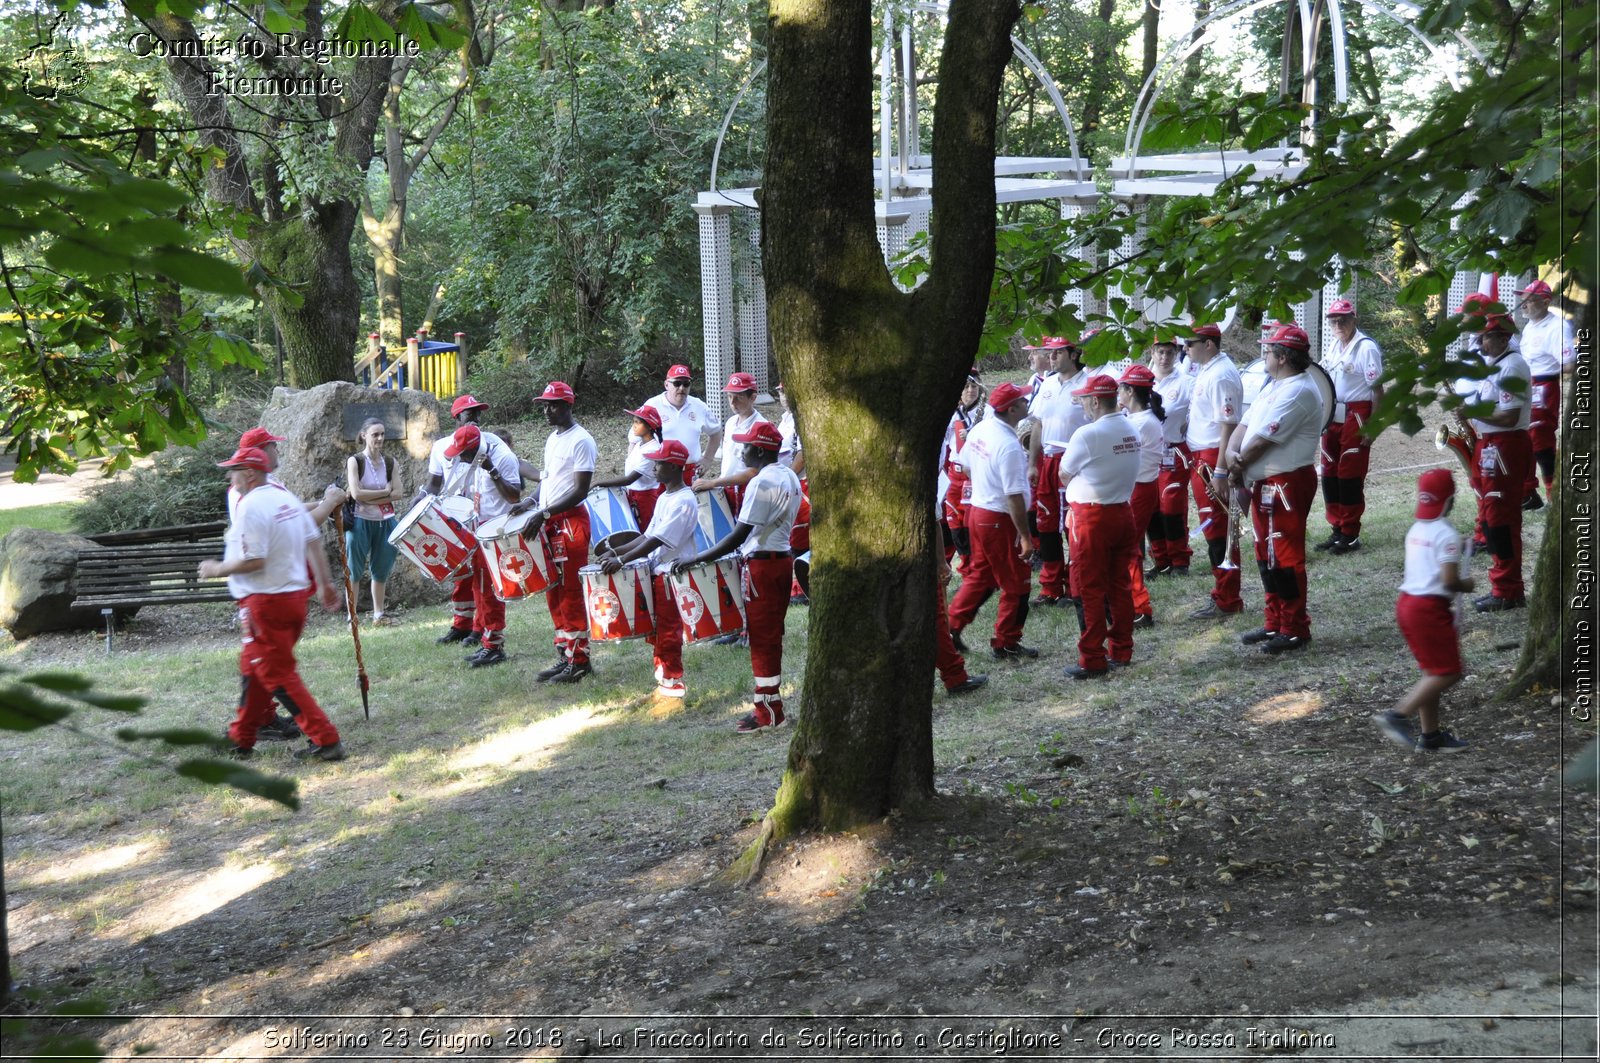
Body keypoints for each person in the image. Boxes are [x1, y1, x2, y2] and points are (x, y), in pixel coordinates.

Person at [202, 446, 345, 762]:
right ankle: (240, 738)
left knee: (276, 673)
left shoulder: (251, 506)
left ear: (249, 473)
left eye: (234, 470)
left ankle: (326, 739)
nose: (230, 476)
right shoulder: (286, 499)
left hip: (265, 602)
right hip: (291, 598)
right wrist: (324, 583)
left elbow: (254, 560)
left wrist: (217, 569)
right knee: (255, 668)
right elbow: (312, 539)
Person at [675, 421, 802, 732]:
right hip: (782, 559)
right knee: (770, 635)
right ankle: (767, 703)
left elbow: (739, 535)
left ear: (759, 450)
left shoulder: (762, 482)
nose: (742, 451)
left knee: (761, 638)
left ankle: (769, 712)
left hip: (763, 563)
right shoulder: (788, 475)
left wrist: (698, 558)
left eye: (746, 446)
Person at [1220, 323, 1324, 655]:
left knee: (1285, 556)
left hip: (1286, 481)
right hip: (1266, 480)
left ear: (1281, 357)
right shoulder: (1275, 384)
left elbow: (1262, 441)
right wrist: (1231, 457)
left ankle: (1294, 627)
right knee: (1266, 553)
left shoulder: (1298, 391)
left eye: (1268, 351)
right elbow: (1244, 428)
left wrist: (1237, 466)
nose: (1263, 355)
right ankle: (1275, 620)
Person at [1374, 469, 1473, 752]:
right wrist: (1469, 583)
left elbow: (1436, 552)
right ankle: (1397, 716)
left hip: (1407, 604)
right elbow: (1449, 580)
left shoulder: (1417, 529)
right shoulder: (1447, 534)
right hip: (1429, 609)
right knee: (1449, 671)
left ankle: (1431, 737)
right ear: (1450, 499)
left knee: (1432, 671)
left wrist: (1461, 546)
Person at [600, 440, 700, 700]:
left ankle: (673, 687)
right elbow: (647, 536)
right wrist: (616, 551)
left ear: (674, 466)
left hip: (670, 575)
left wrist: (622, 561)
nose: (654, 468)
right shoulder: (666, 496)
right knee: (657, 633)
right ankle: (663, 684)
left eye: (659, 463)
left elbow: (658, 541)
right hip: (657, 573)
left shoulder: (684, 501)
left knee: (668, 632)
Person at [511, 382, 599, 681]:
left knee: (571, 591)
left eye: (554, 405)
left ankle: (581, 660)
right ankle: (564, 653)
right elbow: (548, 482)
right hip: (549, 521)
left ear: (568, 406)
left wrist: (545, 512)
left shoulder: (582, 440)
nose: (547, 410)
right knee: (553, 588)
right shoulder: (552, 438)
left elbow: (580, 490)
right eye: (545, 405)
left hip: (570, 522)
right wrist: (530, 501)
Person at [1057, 375, 1141, 678]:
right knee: (1119, 584)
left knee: (1089, 588)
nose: (1081, 404)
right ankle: (1122, 648)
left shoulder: (1087, 434)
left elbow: (1064, 475)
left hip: (1091, 517)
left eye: (1083, 400)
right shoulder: (1132, 427)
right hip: (1121, 510)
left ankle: (1092, 657)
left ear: (1094, 401)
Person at [947, 382, 1038, 660]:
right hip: (998, 516)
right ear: (1012, 410)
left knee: (982, 575)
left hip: (978, 511)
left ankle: (951, 627)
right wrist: (1024, 535)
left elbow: (964, 464)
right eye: (1022, 400)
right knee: (1017, 581)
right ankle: (1006, 641)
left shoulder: (982, 429)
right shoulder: (1008, 446)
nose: (1026, 402)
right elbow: (1013, 497)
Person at [425, 395, 506, 646]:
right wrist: (422, 503)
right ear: (457, 417)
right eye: (469, 412)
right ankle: (462, 623)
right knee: (460, 573)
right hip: (455, 517)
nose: (475, 417)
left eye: (477, 412)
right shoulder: (441, 447)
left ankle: (479, 627)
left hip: (482, 516)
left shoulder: (490, 442)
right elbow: (434, 483)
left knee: (481, 576)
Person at [1466, 313, 1533, 611]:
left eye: (1487, 337)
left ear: (1504, 338)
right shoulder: (1495, 365)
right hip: (1491, 443)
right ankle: (1502, 583)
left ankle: (1508, 588)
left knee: (1502, 518)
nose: (1481, 342)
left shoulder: (1513, 367)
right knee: (1492, 515)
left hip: (1506, 445)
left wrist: (1473, 414)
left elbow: (1509, 416)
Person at [441, 423, 522, 667]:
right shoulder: (477, 450)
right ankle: (487, 641)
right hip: (479, 527)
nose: (462, 459)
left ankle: (494, 645)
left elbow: (514, 496)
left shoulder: (502, 457)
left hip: (496, 531)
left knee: (491, 591)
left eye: (464, 454)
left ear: (476, 449)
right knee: (480, 587)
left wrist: (492, 470)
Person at [1183, 323, 1245, 619]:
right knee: (1214, 527)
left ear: (1209, 344)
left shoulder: (1220, 374)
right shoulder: (1209, 368)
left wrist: (1220, 471)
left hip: (1211, 458)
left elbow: (1228, 425)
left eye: (1190, 343)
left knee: (1218, 529)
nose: (1185, 348)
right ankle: (1223, 593)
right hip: (1203, 456)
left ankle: (1227, 598)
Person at [1316, 299, 1384, 554]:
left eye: (1343, 319)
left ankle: (1350, 532)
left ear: (1354, 319)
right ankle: (1336, 528)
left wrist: (1373, 427)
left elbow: (1378, 390)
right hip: (1335, 412)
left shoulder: (1365, 348)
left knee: (1350, 475)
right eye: (1334, 320)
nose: (1338, 324)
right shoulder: (1334, 344)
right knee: (1330, 474)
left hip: (1357, 413)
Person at [1028, 338, 1088, 606]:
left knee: (1071, 525)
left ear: (1073, 355)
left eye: (1057, 353)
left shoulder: (1087, 384)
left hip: (1072, 462)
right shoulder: (1048, 384)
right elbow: (1037, 426)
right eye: (1050, 353)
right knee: (1046, 524)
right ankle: (1051, 586)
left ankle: (1076, 586)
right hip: (1047, 461)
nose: (1051, 358)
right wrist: (1032, 462)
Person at [1516, 279, 1574, 510]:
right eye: (1523, 300)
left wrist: (1545, 375)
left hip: (1543, 386)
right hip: (1526, 386)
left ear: (1545, 302)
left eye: (1529, 300)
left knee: (1541, 442)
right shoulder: (1530, 326)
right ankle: (1529, 493)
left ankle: (1554, 494)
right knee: (1525, 440)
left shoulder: (1556, 327)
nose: (1524, 305)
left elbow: (1569, 364)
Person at [1117, 365, 1166, 627]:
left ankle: (1139, 606)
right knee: (1130, 547)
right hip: (1138, 488)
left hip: (1137, 489)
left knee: (1129, 548)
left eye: (1120, 389)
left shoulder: (1140, 423)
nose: (1117, 394)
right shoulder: (1137, 420)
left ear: (1130, 392)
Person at [343, 418, 402, 626]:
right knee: (354, 569)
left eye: (382, 434)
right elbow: (357, 495)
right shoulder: (355, 461)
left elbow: (398, 494)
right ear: (364, 435)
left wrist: (377, 495)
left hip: (385, 520)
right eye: (375, 434)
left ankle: (379, 615)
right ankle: (352, 616)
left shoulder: (390, 462)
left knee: (381, 569)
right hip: (360, 521)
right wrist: (384, 491)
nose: (379, 438)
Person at [227, 427, 346, 528]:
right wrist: (330, 502)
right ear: (261, 453)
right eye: (273, 445)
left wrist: (322, 502)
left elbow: (292, 510)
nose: (277, 450)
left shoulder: (262, 482)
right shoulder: (255, 490)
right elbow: (299, 525)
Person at [1147, 337, 1194, 576]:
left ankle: (1179, 559)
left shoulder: (1186, 382)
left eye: (1169, 352)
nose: (1164, 358)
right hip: (1147, 453)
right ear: (1152, 352)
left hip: (1173, 450)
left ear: (1176, 353)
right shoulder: (1142, 380)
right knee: (1151, 507)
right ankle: (1160, 558)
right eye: (1160, 352)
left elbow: (1196, 412)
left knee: (1171, 506)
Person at [693, 372, 769, 512]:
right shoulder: (730, 422)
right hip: (725, 489)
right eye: (729, 396)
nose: (733, 403)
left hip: (747, 491)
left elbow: (753, 472)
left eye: (738, 397)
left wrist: (713, 482)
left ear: (753, 397)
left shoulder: (761, 427)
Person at [643, 364, 720, 483]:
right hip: (658, 473)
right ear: (666, 384)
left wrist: (707, 459)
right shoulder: (652, 405)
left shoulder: (699, 406)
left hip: (689, 472)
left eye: (686, 383)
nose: (682, 388)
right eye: (677, 383)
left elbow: (716, 432)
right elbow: (635, 440)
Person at [592, 405, 666, 530]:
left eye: (638, 422)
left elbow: (629, 479)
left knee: (645, 533)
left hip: (645, 499)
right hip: (633, 496)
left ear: (649, 426)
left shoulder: (653, 450)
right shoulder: (639, 445)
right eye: (633, 422)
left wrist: (598, 483)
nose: (634, 426)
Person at [939, 371, 986, 562]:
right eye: (966, 387)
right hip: (953, 475)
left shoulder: (987, 413)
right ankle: (964, 568)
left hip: (975, 475)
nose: (970, 391)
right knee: (954, 523)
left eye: (974, 386)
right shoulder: (949, 414)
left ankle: (976, 570)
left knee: (971, 523)